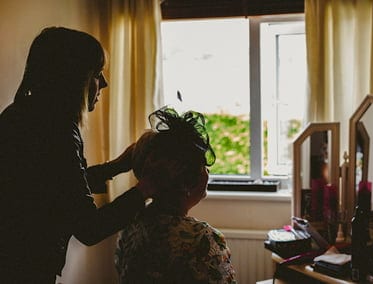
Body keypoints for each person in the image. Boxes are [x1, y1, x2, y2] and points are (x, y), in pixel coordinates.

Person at [0, 27, 154, 281]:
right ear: (71, 79)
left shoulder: (20, 115)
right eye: (96, 74)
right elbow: (88, 227)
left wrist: (116, 166)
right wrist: (146, 189)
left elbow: (56, 188)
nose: (103, 83)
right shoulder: (57, 130)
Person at [115, 107, 236, 283]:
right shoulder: (202, 239)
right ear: (187, 182)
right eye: (203, 167)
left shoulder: (130, 226)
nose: (207, 172)